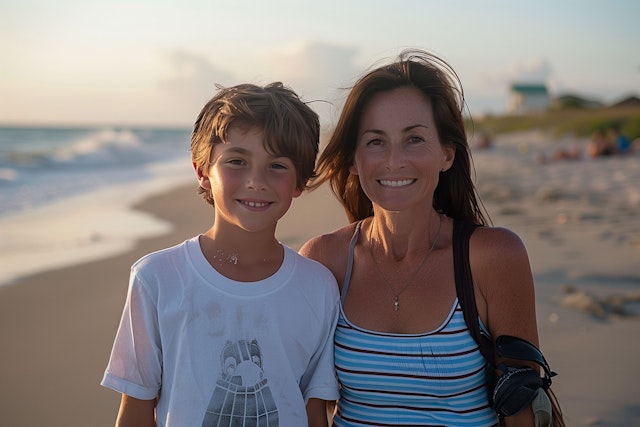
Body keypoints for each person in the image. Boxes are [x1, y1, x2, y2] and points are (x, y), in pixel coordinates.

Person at [300, 50, 564, 426]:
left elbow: (522, 403)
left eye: (414, 139)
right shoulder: (325, 260)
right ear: (354, 161)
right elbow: (307, 402)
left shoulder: (492, 258)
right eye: (376, 141)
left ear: (446, 154)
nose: (394, 160)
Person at [101, 82, 340, 426]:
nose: (256, 180)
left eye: (277, 166)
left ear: (300, 182)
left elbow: (314, 411)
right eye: (237, 161)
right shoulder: (157, 278)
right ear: (202, 171)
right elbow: (136, 411)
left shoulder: (317, 288)